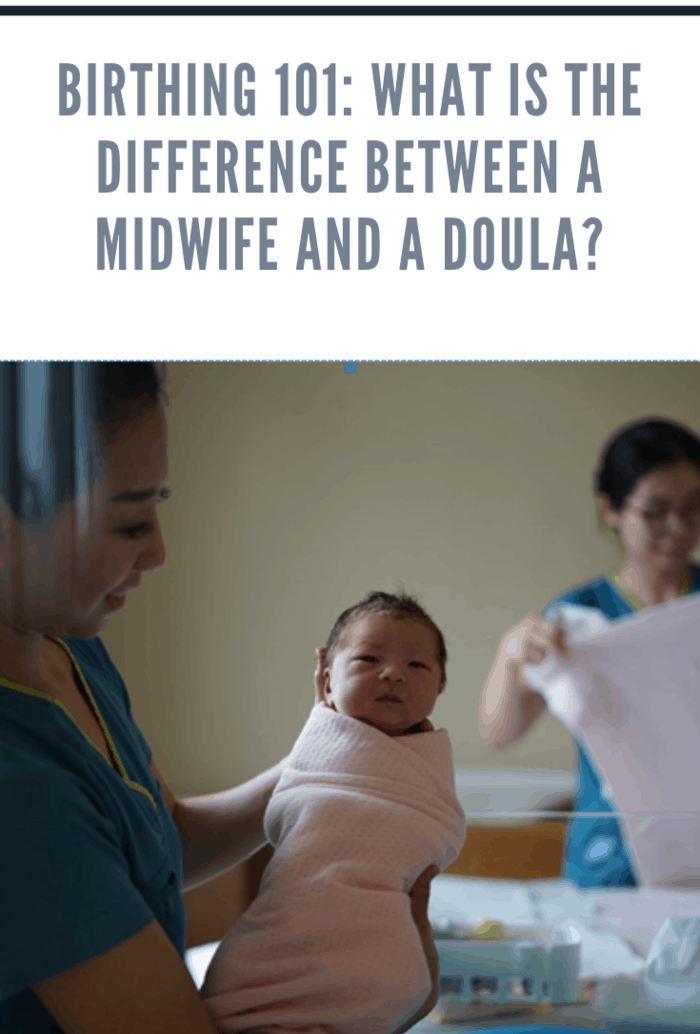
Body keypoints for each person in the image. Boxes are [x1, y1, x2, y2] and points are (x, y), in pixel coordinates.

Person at [0, 364, 439, 1034]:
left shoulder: (67, 645)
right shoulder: (19, 788)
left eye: (158, 508)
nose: (159, 552)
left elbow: (156, 839)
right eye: (127, 524)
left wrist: (340, 762)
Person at [202, 592, 466, 1034]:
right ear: (326, 681)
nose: (393, 674)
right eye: (367, 658)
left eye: (417, 665)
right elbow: (299, 803)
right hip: (286, 952)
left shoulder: (430, 769)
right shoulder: (315, 756)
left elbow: (437, 832)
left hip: (384, 965)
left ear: (439, 687)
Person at [478, 418, 700, 888]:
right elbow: (499, 732)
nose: (678, 528)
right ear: (612, 509)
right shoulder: (578, 617)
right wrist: (510, 653)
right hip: (607, 858)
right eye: (657, 512)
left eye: (693, 508)